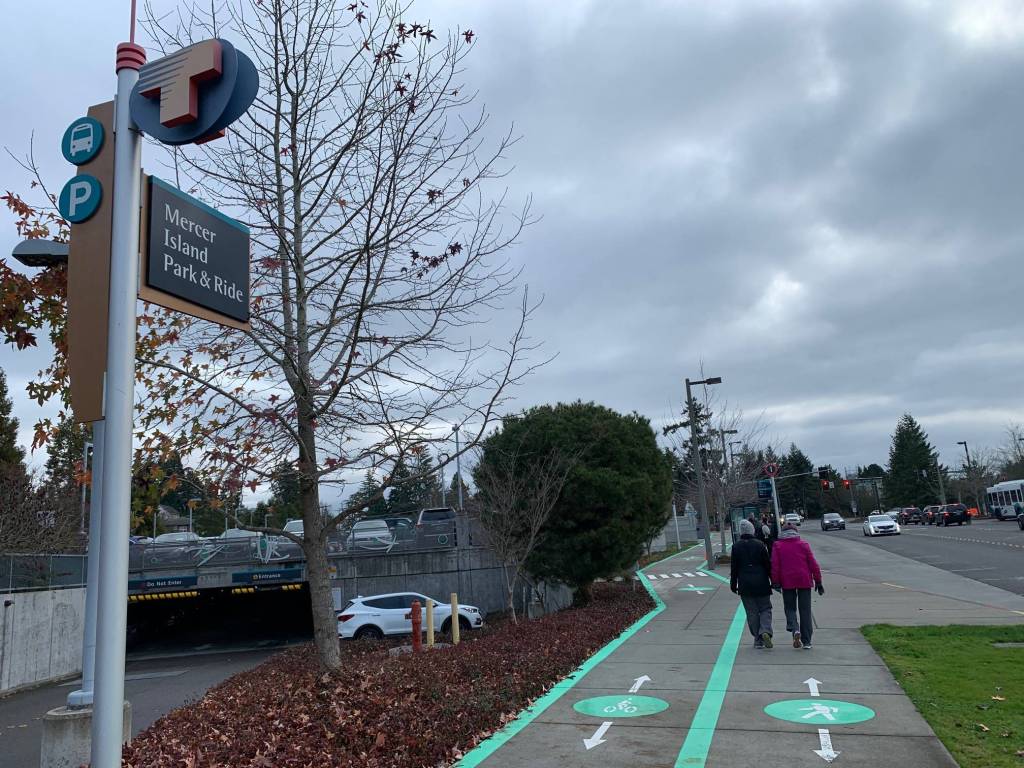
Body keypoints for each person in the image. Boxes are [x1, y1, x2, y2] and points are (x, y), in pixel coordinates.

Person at [770, 522, 823, 649]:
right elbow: (813, 564)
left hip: (787, 581)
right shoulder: (803, 545)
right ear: (796, 532)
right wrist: (818, 581)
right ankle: (807, 641)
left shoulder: (778, 546)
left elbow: (775, 565)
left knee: (790, 608)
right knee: (805, 610)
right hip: (804, 580)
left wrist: (775, 581)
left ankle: (795, 629)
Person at [730, 519, 774, 649]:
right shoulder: (760, 545)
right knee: (765, 608)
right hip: (761, 582)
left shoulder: (736, 547)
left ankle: (758, 639)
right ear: (752, 530)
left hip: (745, 584)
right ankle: (765, 630)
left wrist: (733, 584)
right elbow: (767, 565)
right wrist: (773, 580)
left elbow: (734, 568)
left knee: (751, 612)